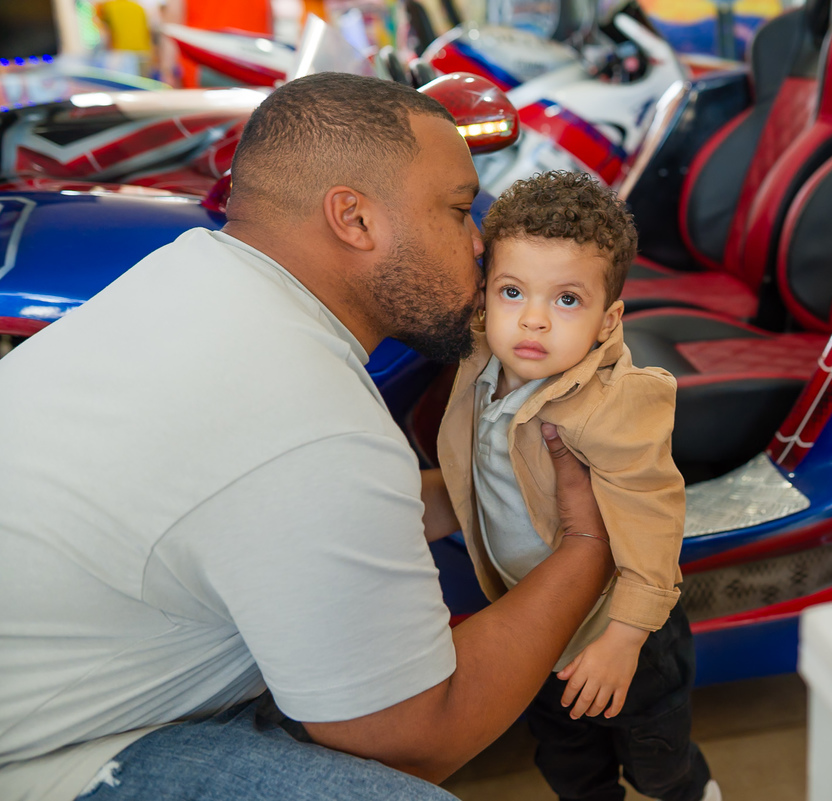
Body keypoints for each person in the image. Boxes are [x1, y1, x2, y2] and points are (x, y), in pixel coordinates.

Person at [0, 73, 618, 801]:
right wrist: (589, 546)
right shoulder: (303, 414)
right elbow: (417, 735)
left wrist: (463, 491)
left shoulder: (191, 277)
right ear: (353, 220)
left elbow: (264, 514)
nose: (479, 242)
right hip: (35, 758)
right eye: (457, 211)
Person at [429, 171, 719, 801]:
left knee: (656, 761)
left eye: (566, 300)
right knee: (567, 762)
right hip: (536, 619)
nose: (532, 322)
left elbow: (654, 521)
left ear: (608, 319)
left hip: (621, 629)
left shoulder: (611, 407)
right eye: (512, 292)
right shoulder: (482, 363)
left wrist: (624, 638)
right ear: (484, 297)